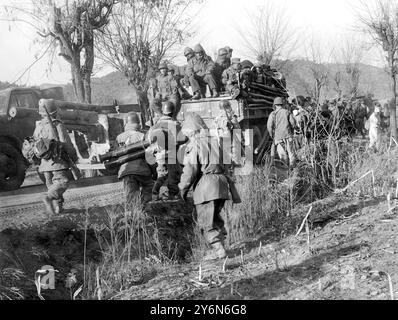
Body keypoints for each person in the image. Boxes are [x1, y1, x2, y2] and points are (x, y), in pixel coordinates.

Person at [178, 113, 241, 261]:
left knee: (206, 222)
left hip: (206, 187)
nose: (187, 136)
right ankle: (223, 247)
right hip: (222, 184)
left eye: (187, 133)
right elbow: (227, 164)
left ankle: (219, 251)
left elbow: (191, 170)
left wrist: (182, 189)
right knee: (215, 218)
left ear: (192, 131)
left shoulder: (195, 145)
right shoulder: (215, 142)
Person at [33, 99, 78, 216]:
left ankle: (58, 208)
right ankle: (48, 198)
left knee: (52, 186)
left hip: (44, 163)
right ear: (55, 112)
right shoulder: (58, 124)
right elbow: (66, 143)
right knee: (62, 182)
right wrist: (74, 157)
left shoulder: (38, 126)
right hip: (58, 161)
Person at [148, 101, 185, 200]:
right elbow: (182, 139)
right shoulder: (175, 124)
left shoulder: (156, 124)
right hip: (171, 155)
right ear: (172, 112)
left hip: (159, 155)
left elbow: (149, 140)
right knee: (174, 176)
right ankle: (172, 196)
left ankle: (155, 193)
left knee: (161, 175)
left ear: (163, 111)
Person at [116, 112, 154, 206]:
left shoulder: (119, 137)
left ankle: (136, 218)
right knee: (149, 192)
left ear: (126, 123)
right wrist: (154, 171)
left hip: (126, 172)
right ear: (138, 123)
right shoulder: (143, 136)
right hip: (143, 171)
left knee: (132, 201)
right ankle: (147, 212)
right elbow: (150, 156)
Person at [267, 97, 297, 167]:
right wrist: (294, 129)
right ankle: (293, 170)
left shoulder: (273, 114)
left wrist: (271, 135)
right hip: (288, 135)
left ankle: (286, 169)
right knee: (291, 153)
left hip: (278, 137)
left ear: (275, 105)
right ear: (282, 104)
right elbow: (293, 123)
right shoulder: (287, 112)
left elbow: (269, 126)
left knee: (282, 155)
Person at [215, 100, 242, 167]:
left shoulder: (217, 118)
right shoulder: (231, 117)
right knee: (235, 160)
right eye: (229, 106)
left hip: (222, 141)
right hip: (232, 142)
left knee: (226, 159)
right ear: (227, 107)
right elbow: (238, 130)